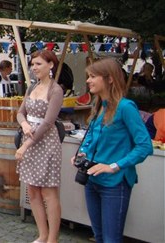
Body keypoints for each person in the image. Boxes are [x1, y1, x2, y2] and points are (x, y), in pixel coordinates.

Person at [74, 58, 153, 243]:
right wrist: (82, 153)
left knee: (111, 239)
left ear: (109, 79)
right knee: (99, 236)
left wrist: (115, 166)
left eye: (93, 76)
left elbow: (145, 146)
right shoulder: (99, 106)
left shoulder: (126, 107)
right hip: (92, 180)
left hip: (115, 184)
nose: (88, 80)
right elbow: (92, 137)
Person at [15, 49, 63, 243]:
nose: (34, 68)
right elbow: (20, 112)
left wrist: (26, 145)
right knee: (32, 190)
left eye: (39, 64)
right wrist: (24, 123)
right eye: (33, 64)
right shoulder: (30, 88)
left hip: (46, 144)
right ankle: (42, 234)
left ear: (50, 65)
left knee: (49, 193)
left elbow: (48, 122)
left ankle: (53, 238)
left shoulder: (56, 90)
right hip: (31, 141)